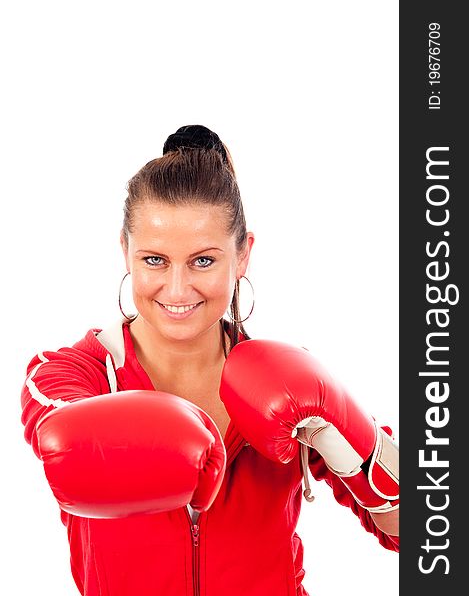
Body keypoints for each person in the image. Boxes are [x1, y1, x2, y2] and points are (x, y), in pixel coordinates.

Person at [20, 124, 399, 596]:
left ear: (243, 256)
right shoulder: (76, 375)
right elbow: (58, 433)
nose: (177, 290)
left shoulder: (288, 385)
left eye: (203, 261)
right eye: (155, 260)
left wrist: (348, 440)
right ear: (126, 252)